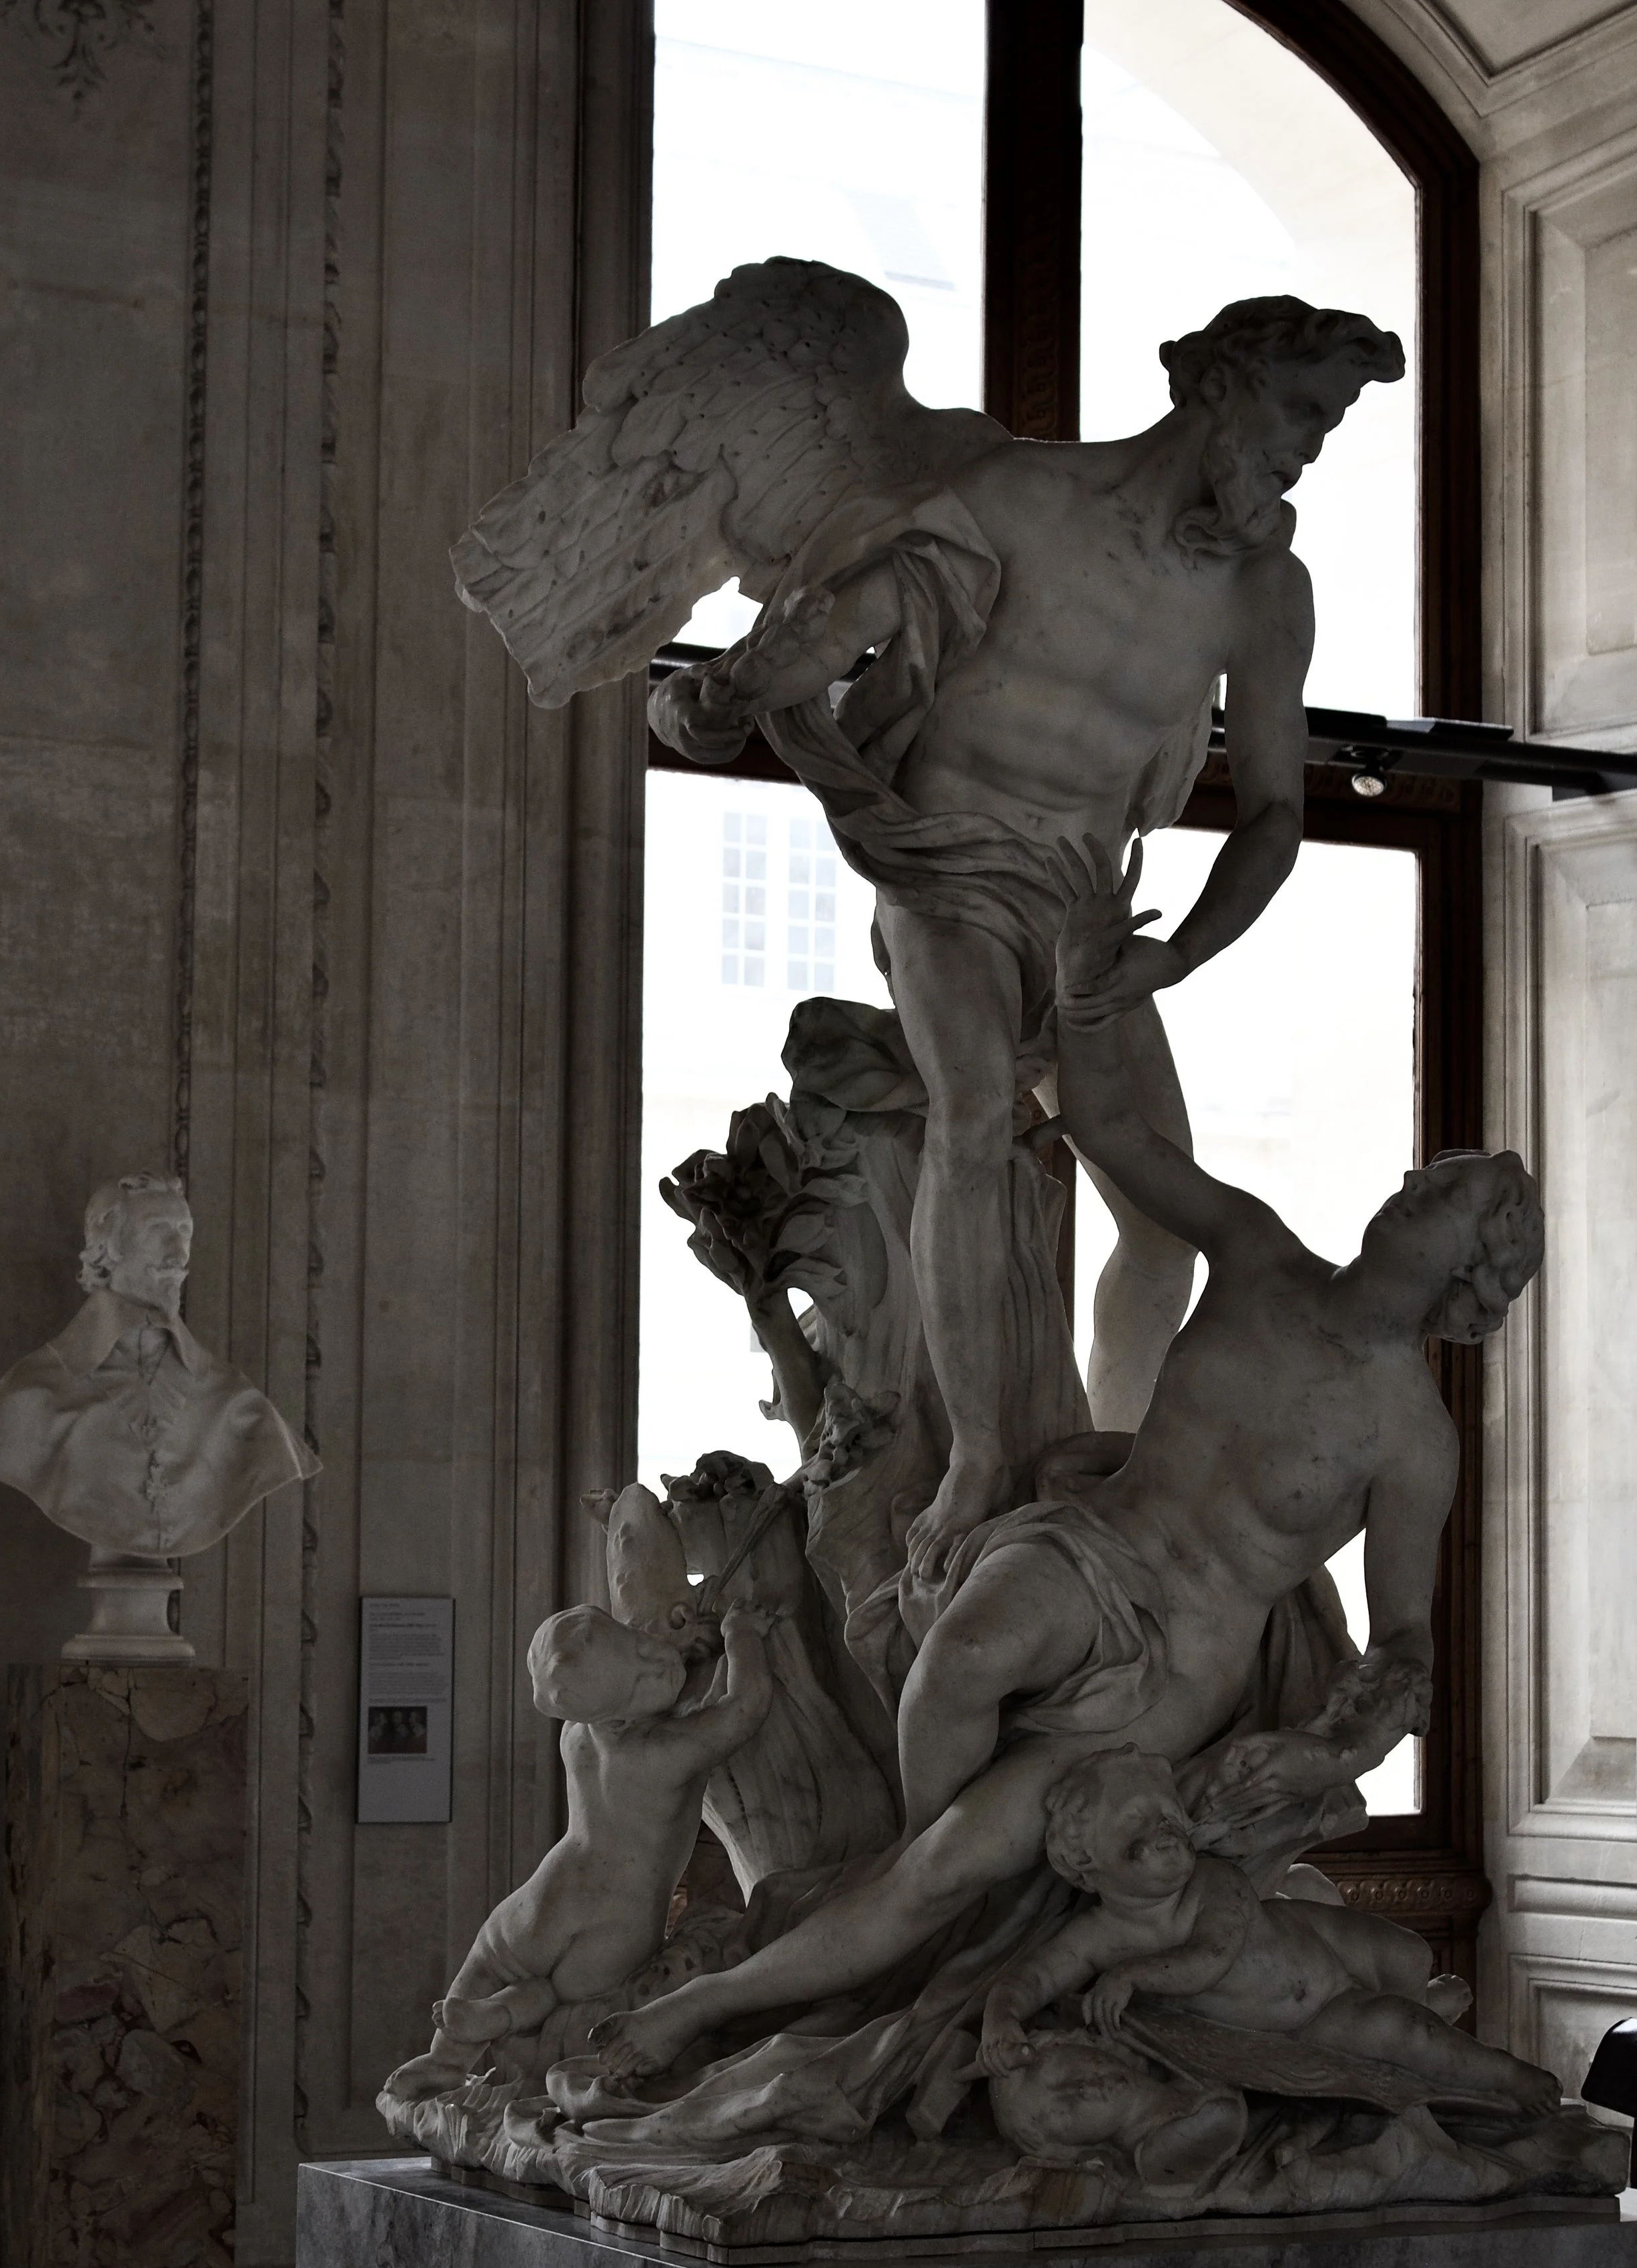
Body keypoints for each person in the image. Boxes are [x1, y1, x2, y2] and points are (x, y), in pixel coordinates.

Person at [588, 846, 1543, 2088]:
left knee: (950, 1860)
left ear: (1472, 1276)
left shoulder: (1413, 1440)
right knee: (960, 1666)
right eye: (1426, 1176)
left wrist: (1326, 1750)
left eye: (1445, 1200)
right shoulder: (1262, 1255)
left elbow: (1403, 1645)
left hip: (1184, 1662)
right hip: (1096, 1548)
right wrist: (1088, 998)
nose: (1412, 1189)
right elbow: (1118, 1141)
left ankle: (734, 1998)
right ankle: (941, 1904)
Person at [654, 294, 1405, 1573]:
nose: (1305, 452)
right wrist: (729, 693)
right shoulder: (1017, 495)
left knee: (1167, 1217)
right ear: (1217, 385)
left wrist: (1177, 953)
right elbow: (848, 624)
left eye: (1327, 428)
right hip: (943, 868)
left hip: (1088, 911)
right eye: (1300, 415)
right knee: (974, 1116)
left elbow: (1275, 817)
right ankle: (984, 1459)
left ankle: (1117, 1471)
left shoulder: (1266, 593)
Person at [976, 1748, 1554, 2113]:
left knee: (1408, 1954)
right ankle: (1509, 2078)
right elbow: (1033, 1976)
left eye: (1168, 1813)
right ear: (1086, 1864)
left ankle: (1423, 2002)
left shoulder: (1212, 1882)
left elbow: (1213, 1955)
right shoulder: (1098, 1937)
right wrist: (1001, 2018)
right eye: (1136, 1822)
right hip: (1312, 2017)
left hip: (1320, 1940)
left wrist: (1132, 1975)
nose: (1165, 1828)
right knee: (1407, 2035)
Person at [384, 1597, 776, 2099]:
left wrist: (674, 1647)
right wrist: (743, 1633)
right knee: (564, 1994)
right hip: (622, 1918)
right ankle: (501, 2014)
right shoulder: (664, 1754)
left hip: (551, 1890)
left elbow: (639, 1687)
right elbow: (744, 1708)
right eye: (642, 1677)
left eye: (641, 1647)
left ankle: (450, 2054)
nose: (658, 1664)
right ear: (614, 1714)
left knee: (492, 1959)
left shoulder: (579, 1734)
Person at [0, 1171, 316, 1554]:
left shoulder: (238, 1402)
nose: (179, 1252)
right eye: (158, 1230)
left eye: (185, 1230)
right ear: (107, 1247)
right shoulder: (28, 1395)